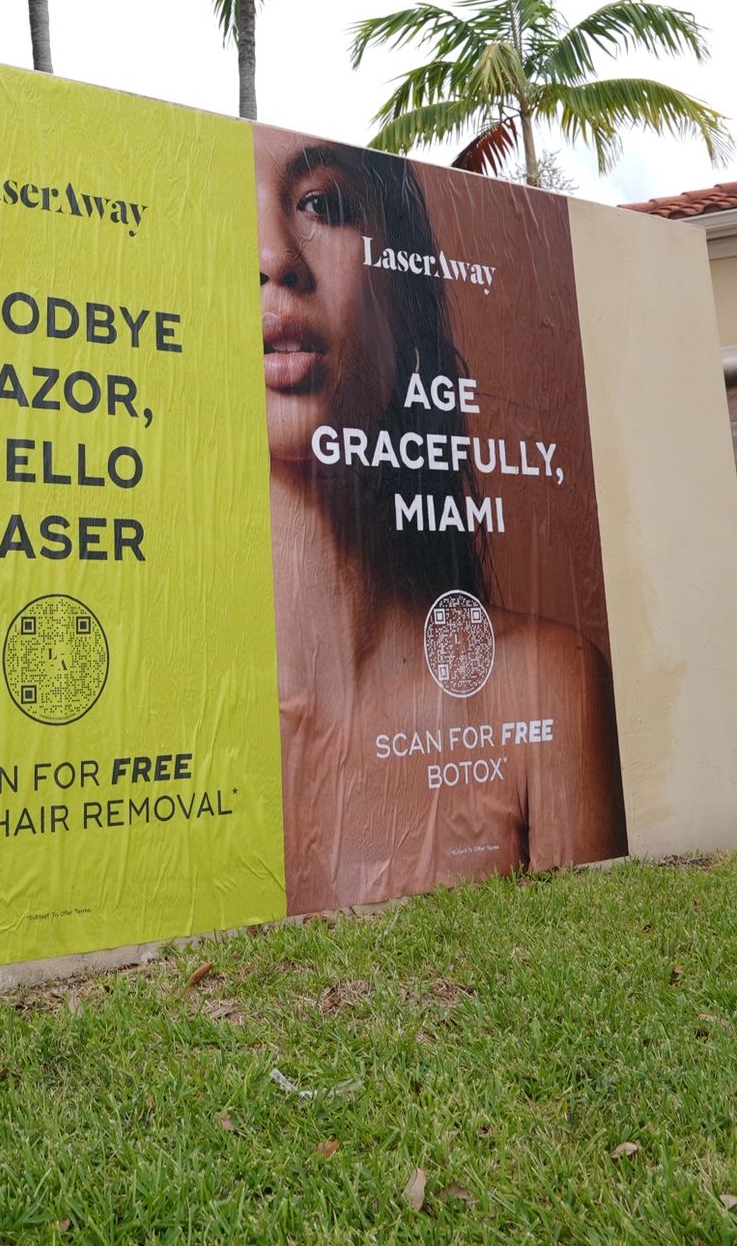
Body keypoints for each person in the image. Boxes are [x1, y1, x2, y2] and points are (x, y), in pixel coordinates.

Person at [255, 124, 627, 915]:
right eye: (225, 220)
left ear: (403, 294)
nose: (274, 257)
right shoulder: (168, 732)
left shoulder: (544, 687)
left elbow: (589, 968)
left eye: (322, 204)